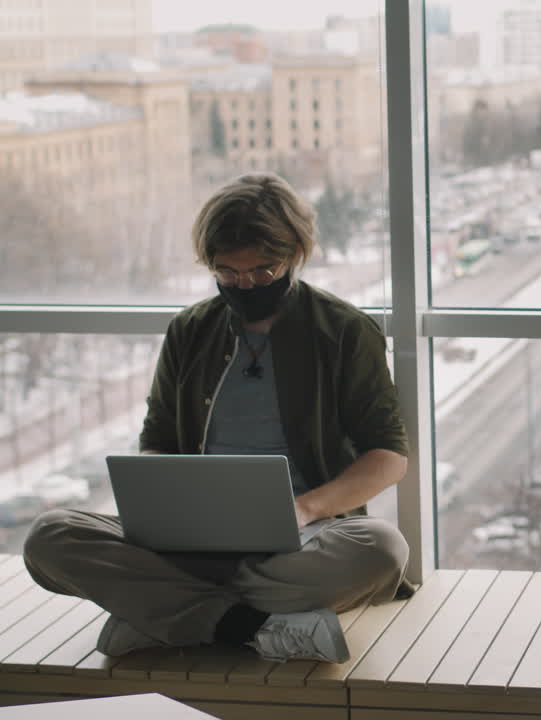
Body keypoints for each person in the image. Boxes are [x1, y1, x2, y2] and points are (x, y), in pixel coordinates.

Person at [22, 173, 413, 665]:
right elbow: (157, 439)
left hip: (302, 538)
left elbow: (389, 456)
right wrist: (167, 507)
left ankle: (163, 613)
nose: (245, 284)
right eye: (228, 273)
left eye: (263, 271)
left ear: (296, 254)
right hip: (192, 539)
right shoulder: (190, 329)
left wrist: (304, 509)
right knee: (49, 536)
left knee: (382, 550)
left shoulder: (344, 331)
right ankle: (251, 625)